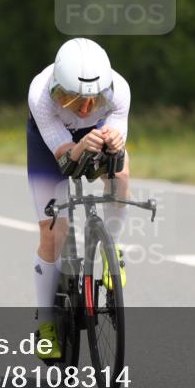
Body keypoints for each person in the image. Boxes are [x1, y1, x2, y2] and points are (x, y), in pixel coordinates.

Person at [26, 38, 130, 360]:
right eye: (73, 99)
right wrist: (79, 147)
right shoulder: (40, 94)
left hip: (96, 133)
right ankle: (45, 323)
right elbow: (63, 158)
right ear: (57, 88)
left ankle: (113, 249)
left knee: (121, 174)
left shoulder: (120, 90)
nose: (84, 109)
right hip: (50, 146)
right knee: (53, 233)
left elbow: (116, 151)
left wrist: (114, 142)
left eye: (93, 100)